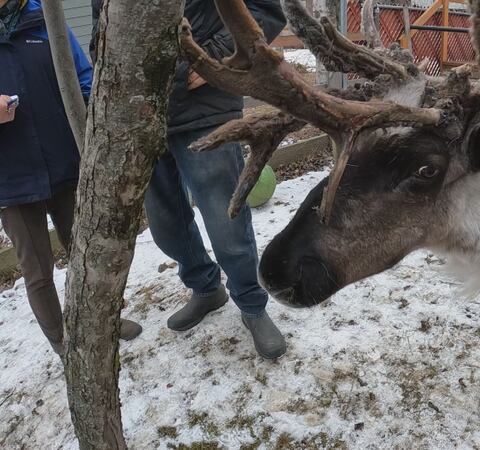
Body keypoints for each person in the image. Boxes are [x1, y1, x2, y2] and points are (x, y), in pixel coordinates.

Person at [90, 0, 289, 359]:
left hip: (204, 108)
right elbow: (101, 33)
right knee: (166, 224)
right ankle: (205, 287)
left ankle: (252, 305)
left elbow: (266, 12)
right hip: (141, 113)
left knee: (225, 222)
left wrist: (212, 57)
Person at [0, 0, 142, 356]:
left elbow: (82, 77)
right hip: (11, 179)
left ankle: (105, 321)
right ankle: (64, 344)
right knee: (37, 271)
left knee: (86, 253)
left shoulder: (44, 19)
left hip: (65, 162)